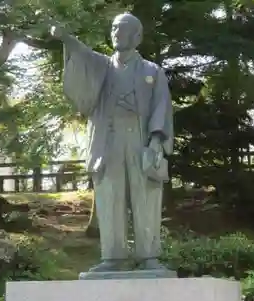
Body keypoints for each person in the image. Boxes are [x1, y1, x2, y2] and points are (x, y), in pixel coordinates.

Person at [52, 13, 174, 273]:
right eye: (114, 28)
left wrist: (156, 140)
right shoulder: (102, 67)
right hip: (108, 140)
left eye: (123, 29)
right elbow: (83, 55)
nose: (116, 33)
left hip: (141, 139)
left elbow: (161, 106)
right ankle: (113, 257)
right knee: (109, 195)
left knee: (146, 196)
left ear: (137, 36)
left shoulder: (153, 71)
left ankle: (149, 256)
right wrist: (66, 38)